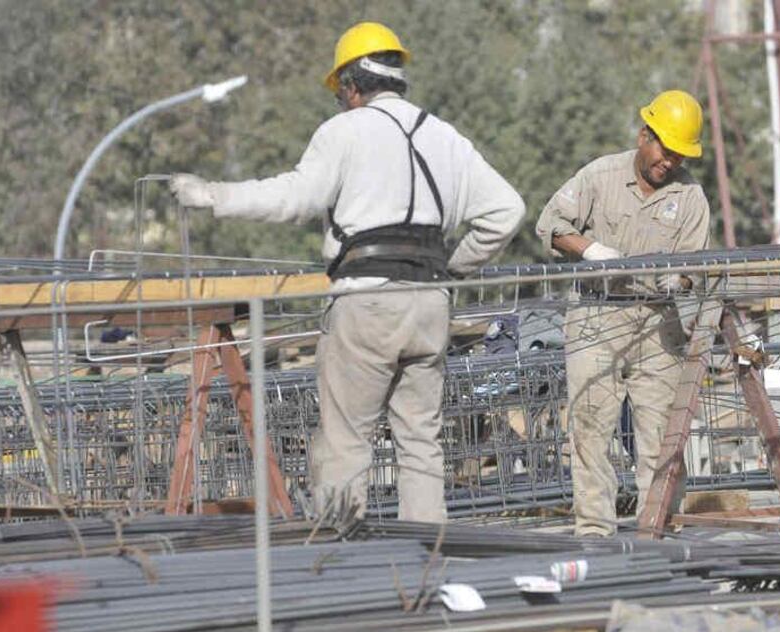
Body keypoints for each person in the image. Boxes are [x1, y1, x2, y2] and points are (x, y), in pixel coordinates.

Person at [170, 22, 524, 523]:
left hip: (366, 301)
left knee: (345, 442)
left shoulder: (345, 130)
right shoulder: (445, 136)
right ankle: (428, 557)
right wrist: (455, 267)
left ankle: (338, 558)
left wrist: (214, 196)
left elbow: (295, 196)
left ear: (349, 87)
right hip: (429, 304)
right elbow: (508, 210)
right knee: (421, 442)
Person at [535, 89, 710, 536]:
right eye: (664, 150)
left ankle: (659, 524)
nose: (669, 162)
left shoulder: (690, 197)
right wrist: (591, 250)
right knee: (591, 426)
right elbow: (551, 226)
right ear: (643, 135)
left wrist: (680, 280)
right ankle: (595, 530)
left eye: (678, 155)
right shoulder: (600, 176)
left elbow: (695, 266)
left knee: (661, 432)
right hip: (597, 314)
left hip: (656, 319)